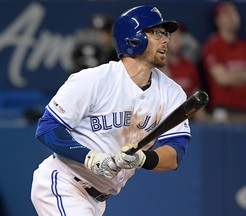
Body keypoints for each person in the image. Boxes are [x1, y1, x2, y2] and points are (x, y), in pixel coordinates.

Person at [31, 5, 191, 216]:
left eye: (166, 33)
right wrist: (91, 157)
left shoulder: (172, 93)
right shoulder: (93, 80)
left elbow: (174, 154)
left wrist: (142, 158)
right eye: (156, 32)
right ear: (134, 38)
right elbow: (47, 128)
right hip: (64, 182)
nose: (166, 39)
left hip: (98, 199)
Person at [202, 1, 246, 122]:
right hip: (225, 112)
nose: (233, 17)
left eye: (234, 13)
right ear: (217, 20)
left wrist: (233, 74)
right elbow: (223, 79)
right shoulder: (213, 46)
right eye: (227, 13)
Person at [162, 25, 206, 121]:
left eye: (180, 36)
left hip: (188, 118)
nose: (177, 39)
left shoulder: (190, 67)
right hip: (163, 120)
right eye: (173, 36)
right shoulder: (158, 67)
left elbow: (196, 95)